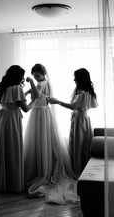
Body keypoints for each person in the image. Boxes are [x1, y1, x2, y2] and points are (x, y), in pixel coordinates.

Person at [24, 63, 79, 204]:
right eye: (34, 76)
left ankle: (43, 169)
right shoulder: (44, 82)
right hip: (42, 113)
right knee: (42, 140)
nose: (35, 78)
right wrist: (31, 90)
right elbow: (39, 93)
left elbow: (37, 95)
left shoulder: (41, 83)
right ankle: (42, 164)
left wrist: (30, 84)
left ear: (42, 74)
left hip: (40, 114)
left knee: (41, 140)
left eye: (37, 76)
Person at [48, 68, 98, 179]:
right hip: (77, 119)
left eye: (75, 77)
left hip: (81, 120)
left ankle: (80, 170)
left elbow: (74, 106)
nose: (74, 79)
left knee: (81, 144)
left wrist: (58, 102)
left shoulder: (85, 93)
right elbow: (74, 105)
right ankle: (76, 167)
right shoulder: (79, 90)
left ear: (80, 78)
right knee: (76, 144)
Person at [0, 65, 37, 193]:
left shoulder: (4, 87)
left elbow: (12, 101)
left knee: (4, 148)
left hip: (2, 117)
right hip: (12, 119)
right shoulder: (17, 89)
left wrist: (25, 94)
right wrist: (34, 100)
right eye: (22, 76)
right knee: (13, 148)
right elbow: (26, 108)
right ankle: (14, 183)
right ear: (18, 77)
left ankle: (4, 181)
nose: (23, 78)